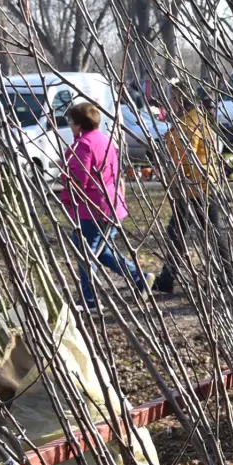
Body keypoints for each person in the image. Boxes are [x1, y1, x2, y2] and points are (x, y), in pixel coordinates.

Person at [58, 101, 144, 310]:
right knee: (102, 251)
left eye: (70, 121)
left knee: (85, 251)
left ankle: (90, 300)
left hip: (93, 208)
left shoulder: (83, 145)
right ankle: (140, 279)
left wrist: (66, 197)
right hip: (111, 204)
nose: (69, 125)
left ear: (78, 123)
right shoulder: (104, 140)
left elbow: (79, 179)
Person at [152, 82, 225, 295]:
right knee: (177, 232)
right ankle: (168, 277)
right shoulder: (185, 119)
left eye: (172, 99)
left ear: (179, 99)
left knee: (211, 233)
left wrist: (170, 170)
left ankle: (225, 278)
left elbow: (186, 154)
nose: (169, 104)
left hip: (197, 187)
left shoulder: (191, 120)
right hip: (188, 188)